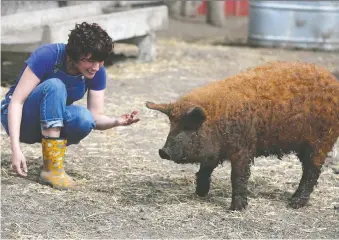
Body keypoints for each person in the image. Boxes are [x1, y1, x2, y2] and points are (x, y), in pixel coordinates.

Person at [0, 22, 140, 190]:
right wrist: (15, 149)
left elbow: (95, 117)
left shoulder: (96, 71)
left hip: (49, 122)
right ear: (74, 55)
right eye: (90, 60)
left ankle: (50, 168)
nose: (96, 67)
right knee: (55, 86)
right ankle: (53, 170)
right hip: (20, 120)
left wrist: (116, 121)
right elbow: (17, 102)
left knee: (84, 118)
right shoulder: (47, 55)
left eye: (100, 61)